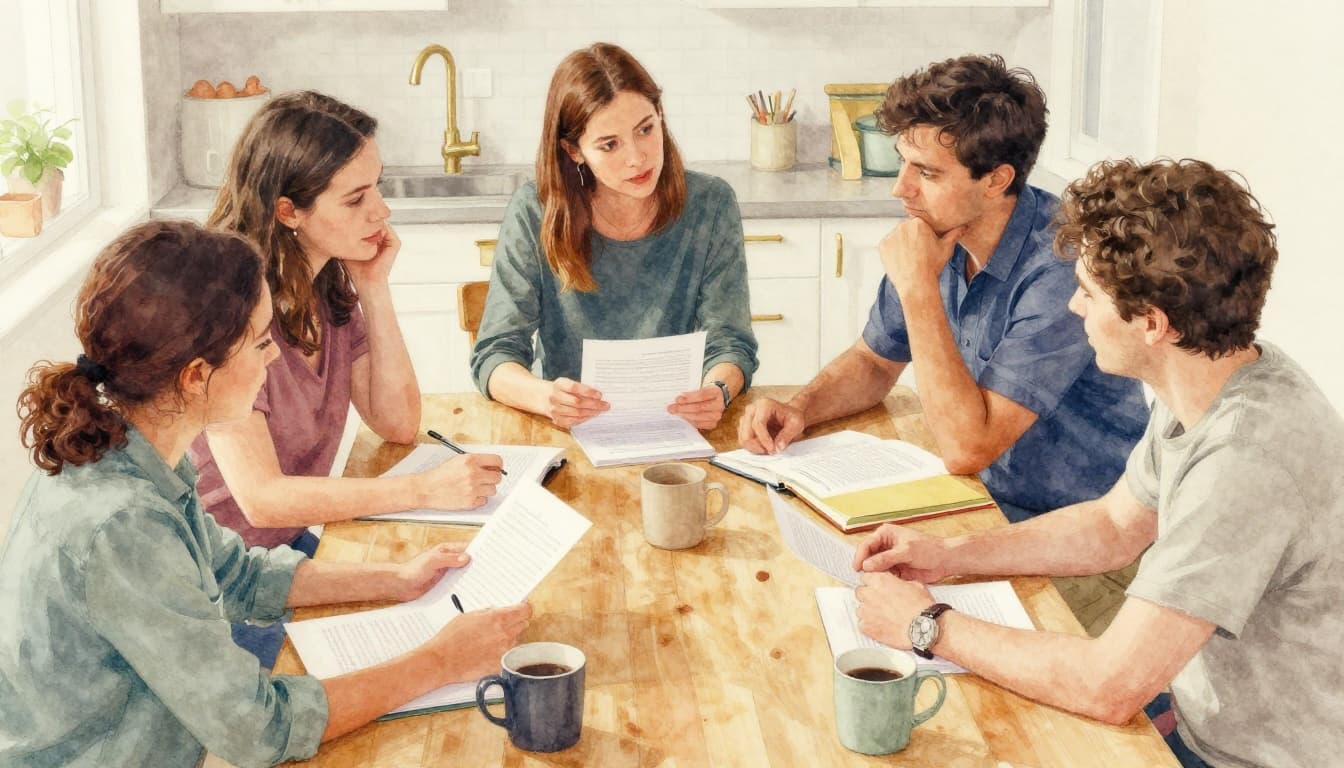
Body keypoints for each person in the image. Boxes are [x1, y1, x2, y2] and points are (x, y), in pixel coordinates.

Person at [852, 158, 1344, 768]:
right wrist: (948, 557)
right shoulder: (1213, 381)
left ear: (1152, 324)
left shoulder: (1246, 459)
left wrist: (927, 625)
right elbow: (1114, 527)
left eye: (1088, 293)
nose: (1075, 309)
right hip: (1192, 725)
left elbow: (1109, 686)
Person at [0, 221, 530, 768]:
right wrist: (441, 661)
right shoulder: (123, 524)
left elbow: (235, 575)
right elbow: (260, 731)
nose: (274, 357)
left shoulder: (128, 447)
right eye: (260, 343)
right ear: (196, 376)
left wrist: (396, 578)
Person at [738, 55, 1148, 524]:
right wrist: (799, 409)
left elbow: (966, 448)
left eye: (927, 173)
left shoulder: (1061, 271)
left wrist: (917, 289)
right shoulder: (938, 228)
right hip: (980, 503)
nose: (901, 189)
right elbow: (875, 362)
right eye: (903, 165)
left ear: (996, 180)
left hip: (1079, 531)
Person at [192, 92, 505, 663]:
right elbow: (261, 500)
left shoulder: (327, 286)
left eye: (378, 187)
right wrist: (422, 490)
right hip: (222, 588)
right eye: (357, 198)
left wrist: (374, 286)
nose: (381, 211)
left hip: (292, 554)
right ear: (289, 212)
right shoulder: (228, 312)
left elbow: (397, 421)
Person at [470, 42, 759, 430]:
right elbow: (495, 353)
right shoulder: (534, 211)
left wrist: (717, 390)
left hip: (675, 427)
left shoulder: (711, 204)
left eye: (645, 129)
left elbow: (730, 340)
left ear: (661, 115)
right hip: (569, 432)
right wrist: (547, 397)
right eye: (609, 144)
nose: (637, 157)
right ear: (574, 151)